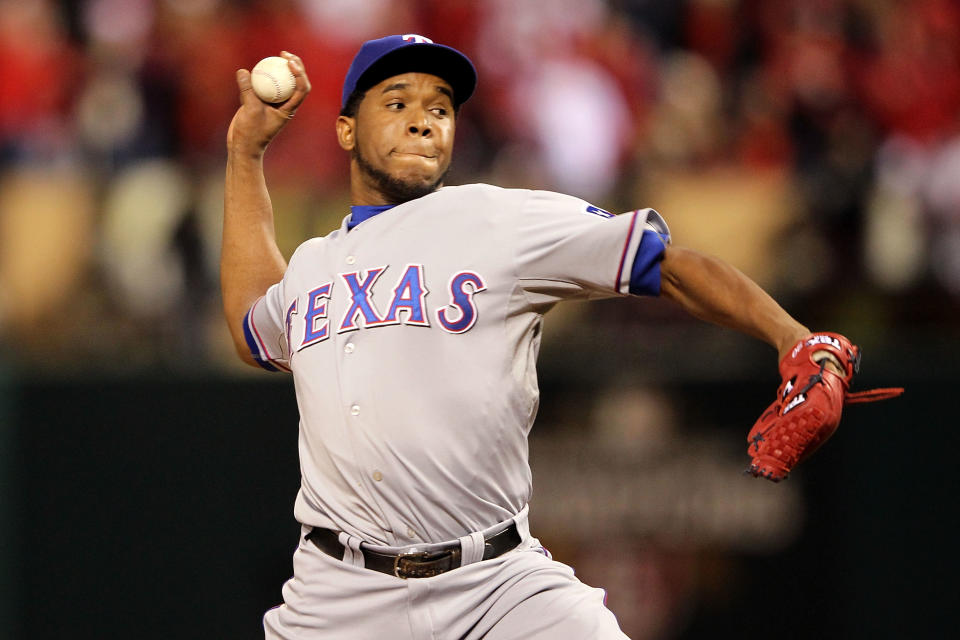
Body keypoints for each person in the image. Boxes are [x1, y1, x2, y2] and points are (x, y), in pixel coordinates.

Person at [222, 35, 824, 640]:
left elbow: (669, 266)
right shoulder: (311, 266)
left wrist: (793, 336)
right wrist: (245, 155)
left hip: (496, 589)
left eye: (440, 108)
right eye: (397, 103)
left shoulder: (499, 220)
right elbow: (253, 326)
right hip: (339, 596)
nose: (423, 122)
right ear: (347, 130)